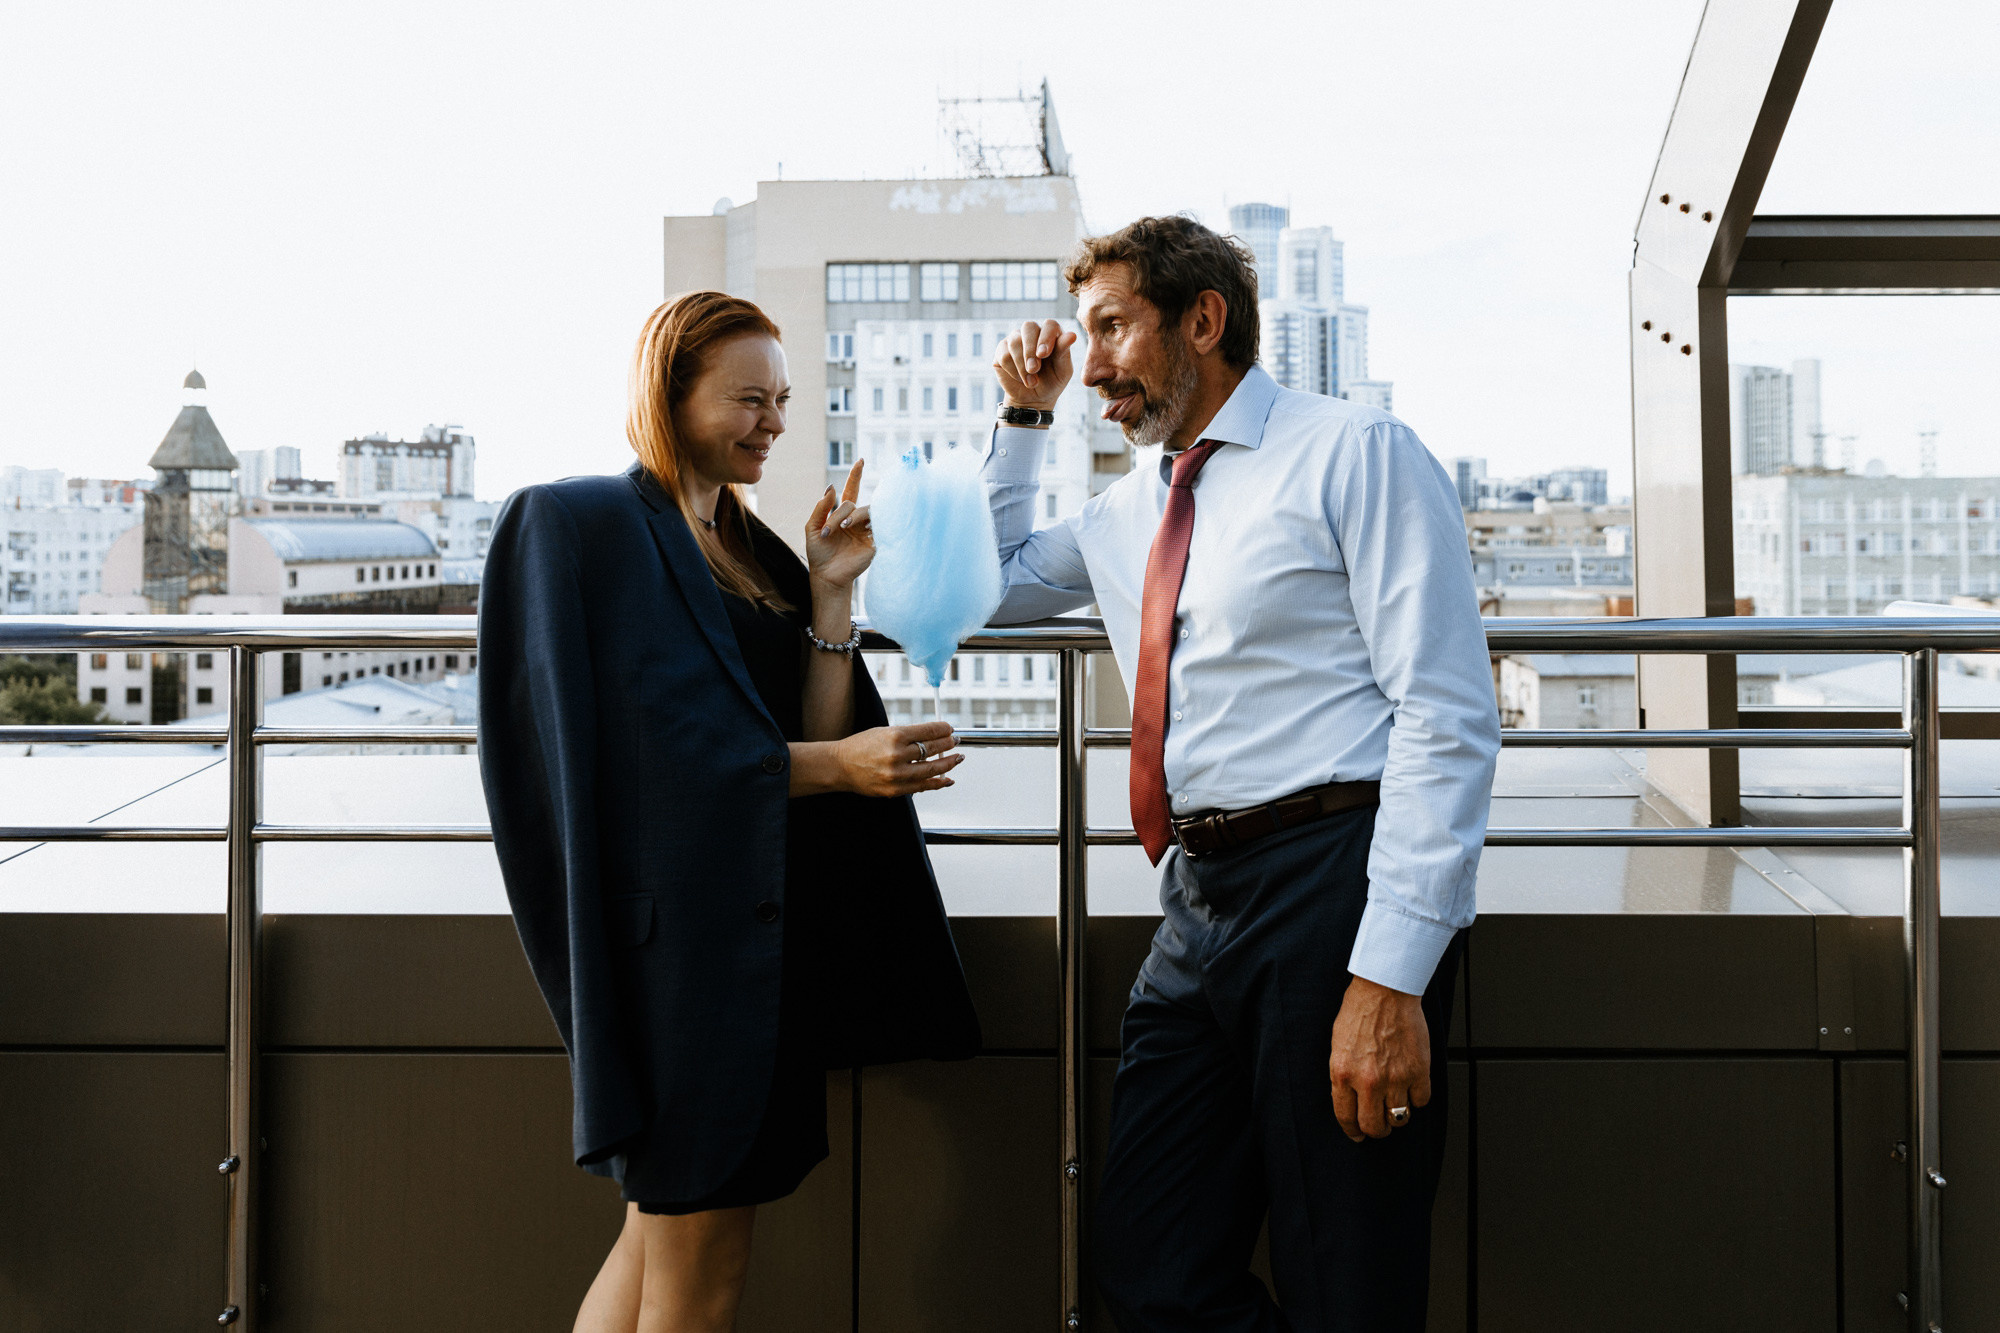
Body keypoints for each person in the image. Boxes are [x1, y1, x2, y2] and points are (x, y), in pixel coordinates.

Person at [983, 216, 1499, 1330]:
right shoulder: (1130, 508)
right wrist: (1024, 417)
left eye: (1112, 328)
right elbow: (985, 586)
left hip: (1332, 883)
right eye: (1086, 334)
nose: (1094, 366)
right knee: (1148, 1267)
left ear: (1202, 319)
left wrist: (1390, 975)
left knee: (1344, 1276)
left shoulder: (1353, 451)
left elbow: (1445, 709)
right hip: (1196, 903)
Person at [478, 290, 982, 1333]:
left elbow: (799, 725)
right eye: (748, 399)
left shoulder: (748, 548)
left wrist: (832, 599)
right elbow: (624, 763)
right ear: (671, 394)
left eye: (783, 401)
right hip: (680, 977)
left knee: (658, 1242)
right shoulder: (582, 523)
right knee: (697, 1273)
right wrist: (835, 769)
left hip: (752, 961)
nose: (773, 423)